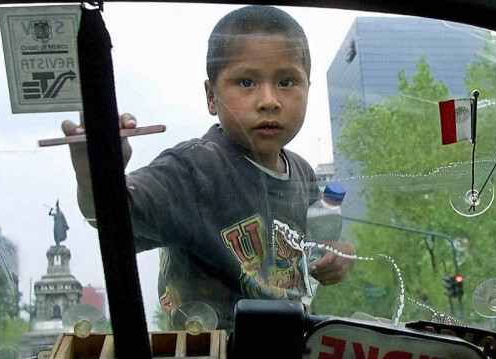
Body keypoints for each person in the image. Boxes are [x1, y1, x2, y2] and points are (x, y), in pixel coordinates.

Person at [62, 5, 355, 330]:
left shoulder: (303, 174)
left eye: (287, 82)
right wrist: (97, 176)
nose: (269, 100)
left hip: (288, 342)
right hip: (204, 348)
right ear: (211, 96)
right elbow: (112, 221)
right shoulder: (192, 170)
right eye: (246, 82)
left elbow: (314, 249)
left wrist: (339, 255)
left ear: (308, 90)